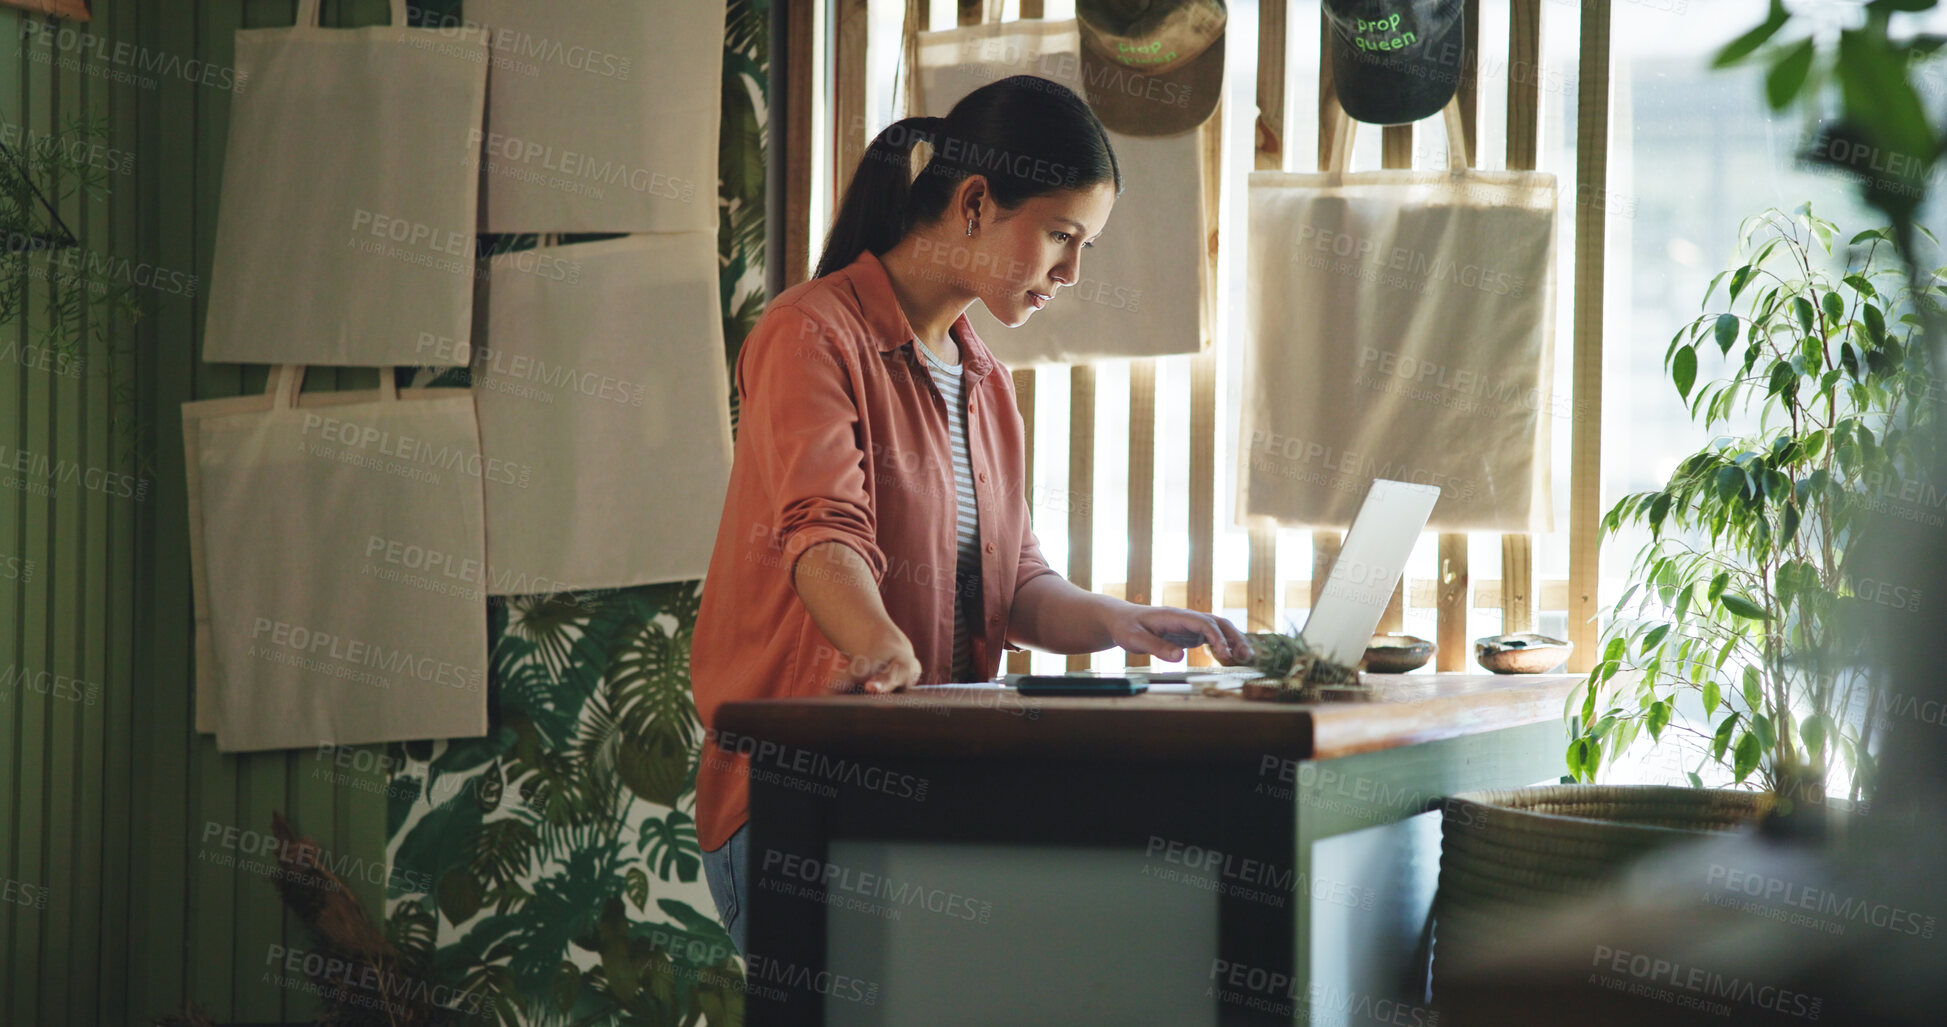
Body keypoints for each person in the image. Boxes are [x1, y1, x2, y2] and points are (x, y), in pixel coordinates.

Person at [689, 74, 1253, 956]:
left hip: (924, 784)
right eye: (1061, 236)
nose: (1069, 272)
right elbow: (822, 529)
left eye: (1083, 248)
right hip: (798, 790)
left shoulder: (984, 381)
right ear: (976, 203)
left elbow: (1015, 583)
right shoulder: (812, 333)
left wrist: (1121, 619)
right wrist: (874, 641)